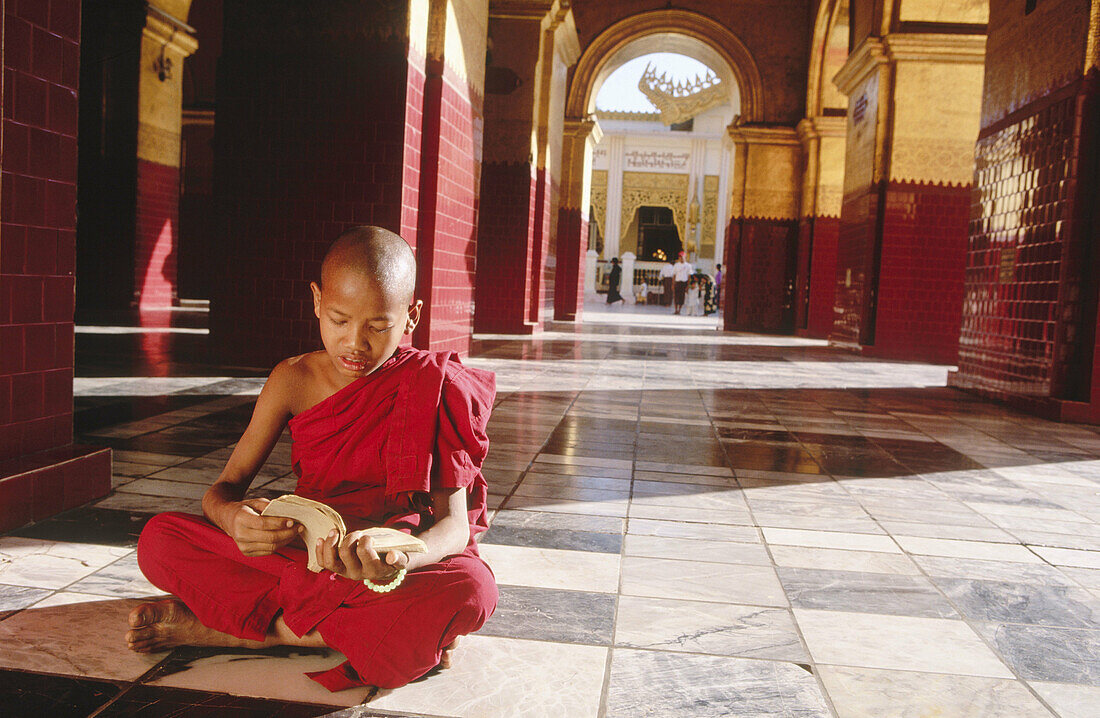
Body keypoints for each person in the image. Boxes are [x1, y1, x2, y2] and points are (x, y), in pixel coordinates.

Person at [125, 226, 498, 694]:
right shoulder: (292, 378)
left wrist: (400, 559)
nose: (355, 344)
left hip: (386, 563)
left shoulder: (436, 383)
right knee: (159, 539)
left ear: (411, 317)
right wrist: (233, 518)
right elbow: (225, 487)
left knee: (471, 588)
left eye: (378, 326)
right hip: (306, 554)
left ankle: (243, 634)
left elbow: (453, 528)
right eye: (339, 320)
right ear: (317, 301)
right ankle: (373, 634)